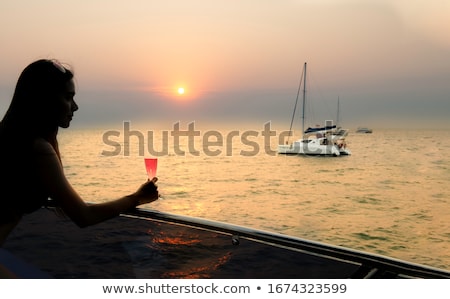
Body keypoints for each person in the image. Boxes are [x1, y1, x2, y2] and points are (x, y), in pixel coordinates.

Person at [0, 59, 160, 250]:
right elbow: (85, 216)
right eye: (68, 97)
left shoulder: (12, 139)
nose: (75, 107)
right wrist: (136, 197)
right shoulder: (37, 149)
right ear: (45, 99)